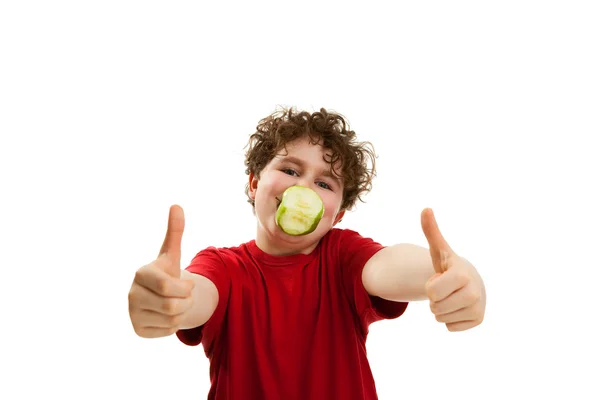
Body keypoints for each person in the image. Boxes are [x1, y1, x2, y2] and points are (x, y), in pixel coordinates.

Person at [127, 107, 487, 400]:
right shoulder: (223, 266)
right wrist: (169, 298)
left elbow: (388, 267)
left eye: (324, 183)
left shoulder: (342, 256)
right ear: (255, 184)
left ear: (337, 215)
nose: (304, 190)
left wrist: (454, 274)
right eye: (289, 170)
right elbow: (197, 292)